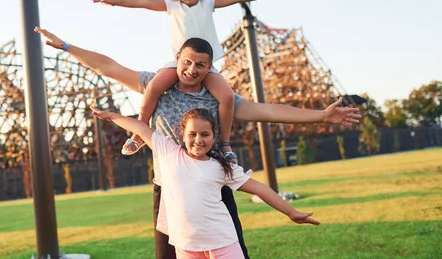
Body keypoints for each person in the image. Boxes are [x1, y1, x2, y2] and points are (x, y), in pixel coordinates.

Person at [34, 28, 360, 259]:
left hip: (213, 185)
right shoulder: (156, 85)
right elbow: (109, 66)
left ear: (209, 67)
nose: (191, 70)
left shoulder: (220, 98)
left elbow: (270, 110)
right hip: (169, 188)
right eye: (186, 62)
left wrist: (321, 116)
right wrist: (65, 46)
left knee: (232, 251)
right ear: (177, 59)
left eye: (200, 65)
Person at [93, 0, 290, 160]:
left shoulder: (208, 3)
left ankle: (225, 144)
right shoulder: (172, 5)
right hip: (180, 64)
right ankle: (139, 131)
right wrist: (115, 2)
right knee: (153, 87)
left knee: (227, 97)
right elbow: (143, 2)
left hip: (205, 65)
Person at [91, 106, 320, 259]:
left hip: (223, 241)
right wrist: (110, 116)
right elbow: (140, 127)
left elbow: (259, 188)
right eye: (193, 134)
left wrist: (291, 212)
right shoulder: (168, 152)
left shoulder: (221, 166)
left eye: (205, 134)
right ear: (183, 134)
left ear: (214, 136)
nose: (198, 140)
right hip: (187, 246)